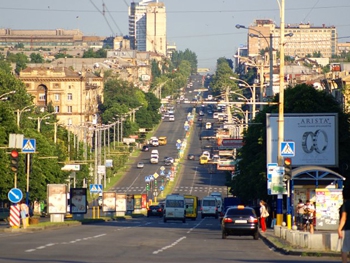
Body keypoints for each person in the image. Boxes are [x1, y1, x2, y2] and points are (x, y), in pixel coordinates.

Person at [338, 188, 350, 263]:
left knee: (344, 248)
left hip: (347, 229)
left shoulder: (346, 204)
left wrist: (339, 229)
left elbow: (343, 218)